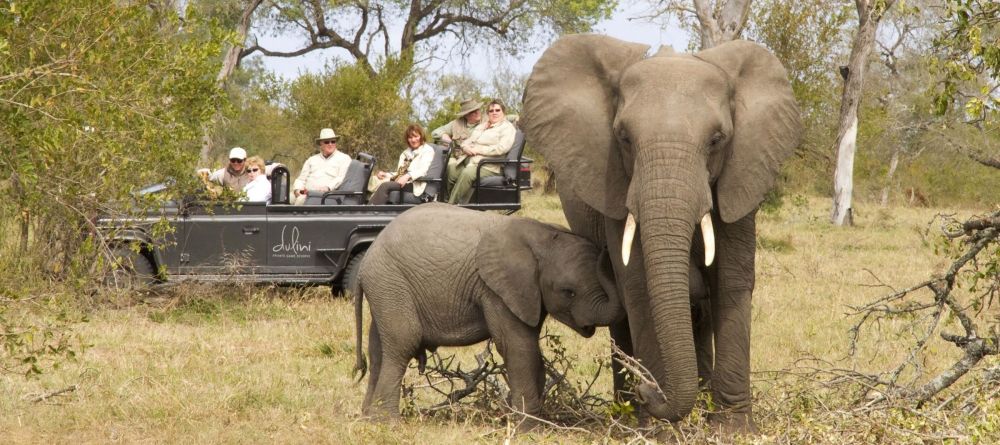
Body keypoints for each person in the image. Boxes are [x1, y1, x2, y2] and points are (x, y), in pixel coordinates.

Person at [447, 100, 516, 204]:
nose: (494, 112)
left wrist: (479, 150)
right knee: (451, 170)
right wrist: (465, 147)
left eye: (498, 110)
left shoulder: (507, 128)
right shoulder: (483, 126)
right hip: (470, 159)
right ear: (488, 114)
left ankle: (450, 205)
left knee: (467, 174)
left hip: (489, 165)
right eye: (491, 111)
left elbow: (502, 148)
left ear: (503, 112)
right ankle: (447, 200)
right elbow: (467, 141)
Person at [369, 124, 436, 205]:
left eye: (416, 136)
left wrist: (407, 176)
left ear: (421, 136)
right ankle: (361, 206)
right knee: (372, 180)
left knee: (385, 186)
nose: (413, 140)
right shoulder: (406, 153)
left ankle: (371, 211)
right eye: (410, 137)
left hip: (415, 183)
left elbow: (423, 170)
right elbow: (400, 172)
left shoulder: (427, 151)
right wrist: (386, 174)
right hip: (401, 180)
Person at [292, 128, 352, 205]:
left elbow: (341, 178)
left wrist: (327, 187)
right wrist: (297, 190)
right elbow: (301, 179)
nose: (330, 144)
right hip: (306, 192)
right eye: (327, 142)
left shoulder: (344, 158)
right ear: (321, 144)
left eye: (333, 141)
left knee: (300, 200)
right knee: (286, 198)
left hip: (325, 196)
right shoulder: (312, 160)